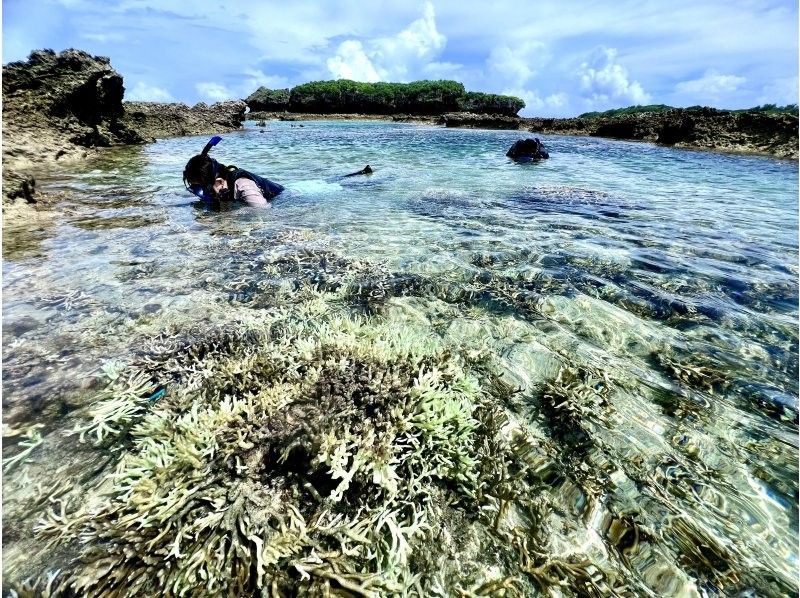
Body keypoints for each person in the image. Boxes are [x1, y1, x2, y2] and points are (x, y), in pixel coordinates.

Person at [183, 136, 284, 208]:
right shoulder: (220, 187)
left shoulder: (244, 186)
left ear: (220, 182)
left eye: (203, 188)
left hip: (282, 197)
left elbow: (264, 211)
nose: (204, 192)